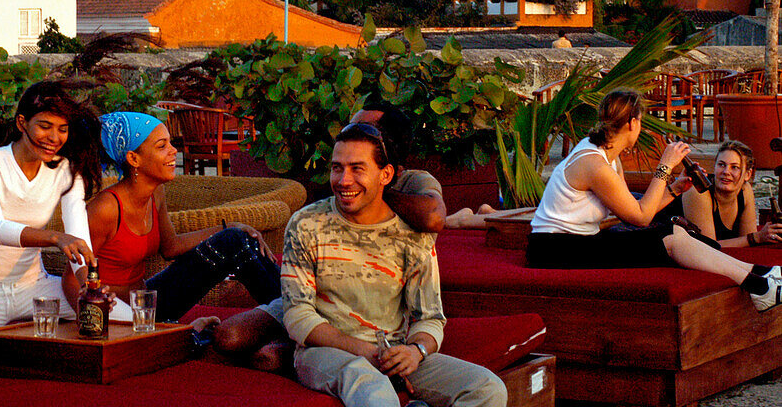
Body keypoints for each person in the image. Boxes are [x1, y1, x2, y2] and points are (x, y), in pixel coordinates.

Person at [282, 123, 508, 407]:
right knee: (372, 387)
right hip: (325, 351)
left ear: (385, 174)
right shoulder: (306, 224)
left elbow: (430, 316)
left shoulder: (410, 234)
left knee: (487, 389)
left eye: (357, 168)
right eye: (337, 168)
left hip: (394, 353)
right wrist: (368, 352)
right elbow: (298, 315)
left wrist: (416, 351)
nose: (343, 180)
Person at [214, 102, 447, 371]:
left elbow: (434, 217)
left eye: (364, 130)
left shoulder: (413, 182)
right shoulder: (339, 186)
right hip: (320, 290)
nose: (352, 133)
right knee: (228, 337)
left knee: (268, 358)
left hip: (375, 303)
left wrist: (373, 191)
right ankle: (305, 338)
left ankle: (302, 347)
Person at [527, 89, 782, 311]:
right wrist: (665, 166)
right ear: (632, 123)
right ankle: (758, 286)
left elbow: (635, 209)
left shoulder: (605, 156)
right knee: (667, 238)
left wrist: (673, 190)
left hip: (577, 241)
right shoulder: (594, 164)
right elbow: (641, 218)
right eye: (640, 121)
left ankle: (757, 271)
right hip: (554, 249)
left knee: (674, 232)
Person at [87, 111, 280, 323]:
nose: (173, 151)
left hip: (148, 302)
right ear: (134, 158)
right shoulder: (105, 208)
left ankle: (294, 307)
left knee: (234, 239)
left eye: (170, 143)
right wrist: (96, 320)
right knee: (233, 239)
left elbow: (171, 248)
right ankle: (291, 316)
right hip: (123, 314)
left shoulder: (155, 193)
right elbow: (72, 278)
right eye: (162, 146)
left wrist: (229, 227)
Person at [0, 80, 99, 343]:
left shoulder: (67, 171)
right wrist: (55, 238)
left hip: (35, 288)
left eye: (62, 129)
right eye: (44, 126)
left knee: (119, 318)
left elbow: (79, 242)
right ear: (21, 123)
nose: (54, 138)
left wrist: (88, 288)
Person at [679, 140, 782, 247]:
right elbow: (707, 246)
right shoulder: (699, 190)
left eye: (734, 167)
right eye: (721, 165)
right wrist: (757, 237)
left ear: (747, 174)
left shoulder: (745, 190)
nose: (726, 172)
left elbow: (749, 240)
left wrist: (759, 237)